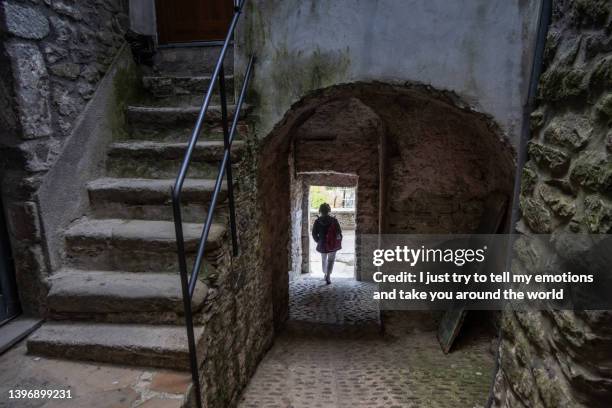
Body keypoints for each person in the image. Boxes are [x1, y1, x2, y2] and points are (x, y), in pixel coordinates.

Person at [311, 203, 342, 284]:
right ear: (329, 210)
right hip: (332, 244)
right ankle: (328, 275)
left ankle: (325, 273)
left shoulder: (317, 221)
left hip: (322, 244)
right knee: (331, 260)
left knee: (324, 259)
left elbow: (314, 233)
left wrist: (318, 241)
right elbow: (339, 232)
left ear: (320, 211)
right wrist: (337, 241)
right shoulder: (334, 220)